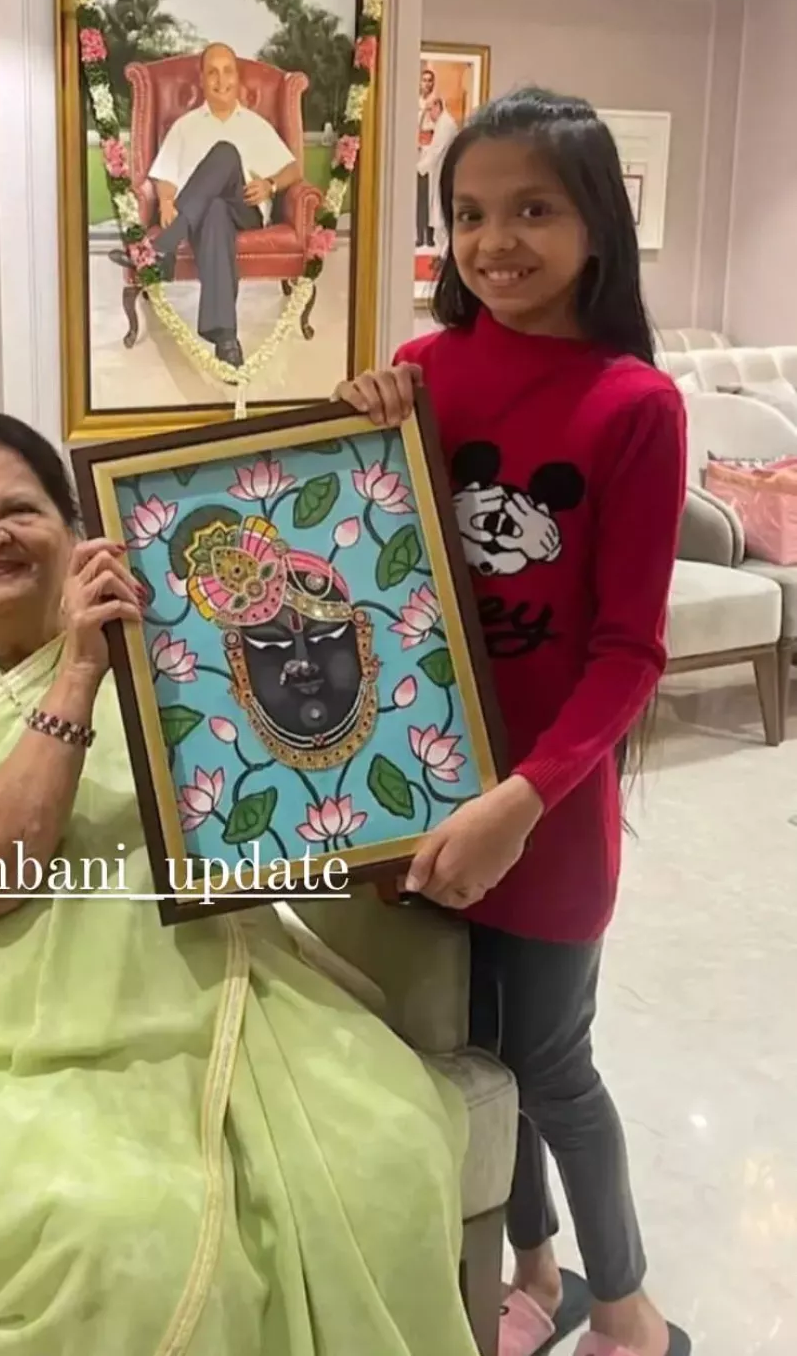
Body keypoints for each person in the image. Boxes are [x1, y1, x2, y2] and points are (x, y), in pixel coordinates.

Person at [0, 410, 481, 1356]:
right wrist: (77, 675)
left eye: (19, 510)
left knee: (387, 1149)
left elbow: (294, 771)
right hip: (18, 1017)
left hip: (219, 971)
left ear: (75, 528)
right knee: (128, 1228)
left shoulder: (165, 632)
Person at [334, 87, 690, 1356]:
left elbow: (629, 652)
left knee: (553, 1064)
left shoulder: (634, 404)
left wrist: (521, 803)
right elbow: (362, 563)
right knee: (475, 1057)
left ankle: (629, 1306)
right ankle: (529, 1266)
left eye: (534, 210)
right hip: (420, 790)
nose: (495, 242)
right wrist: (348, 426)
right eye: (471, 213)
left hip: (545, 812)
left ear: (598, 224)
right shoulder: (423, 373)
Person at [112, 42, 301, 368]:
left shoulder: (255, 125)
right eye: (212, 72)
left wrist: (270, 185)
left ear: (238, 77)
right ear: (201, 79)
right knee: (213, 210)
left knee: (225, 152)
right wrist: (166, 199)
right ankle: (226, 338)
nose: (221, 79)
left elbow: (293, 170)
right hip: (202, 216)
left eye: (228, 71)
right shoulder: (185, 126)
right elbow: (164, 174)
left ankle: (165, 246)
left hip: (245, 209)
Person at [417, 65, 459, 249]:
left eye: (430, 111)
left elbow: (436, 151)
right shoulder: (442, 122)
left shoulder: (446, 125)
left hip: (443, 171)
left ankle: (444, 253)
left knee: (441, 216)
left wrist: (419, 167)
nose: (429, 116)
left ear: (437, 107)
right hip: (434, 167)